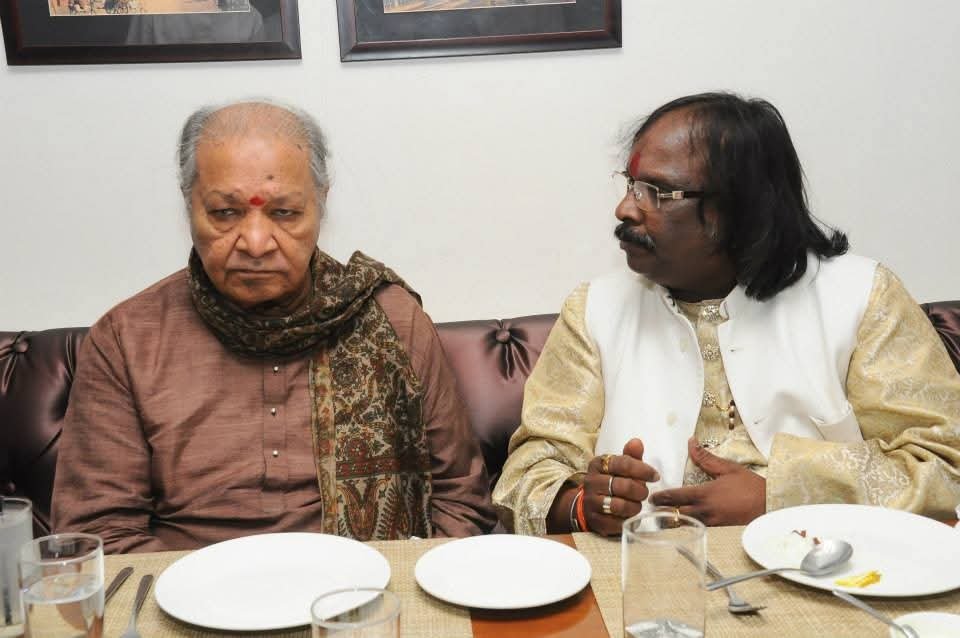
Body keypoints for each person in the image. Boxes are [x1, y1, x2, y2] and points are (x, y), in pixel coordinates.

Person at [493, 92, 960, 536]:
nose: (625, 208)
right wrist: (581, 504)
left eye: (657, 192)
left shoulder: (862, 298)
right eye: (631, 184)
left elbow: (942, 463)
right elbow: (531, 467)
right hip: (643, 576)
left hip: (832, 576)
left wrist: (777, 495)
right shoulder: (595, 309)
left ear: (739, 212)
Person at [52, 100, 497, 553]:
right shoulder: (126, 340)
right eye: (225, 213)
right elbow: (98, 535)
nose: (257, 242)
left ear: (320, 205)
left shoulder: (393, 320)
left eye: (284, 213)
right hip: (188, 606)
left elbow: (460, 501)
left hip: (367, 601)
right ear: (189, 206)